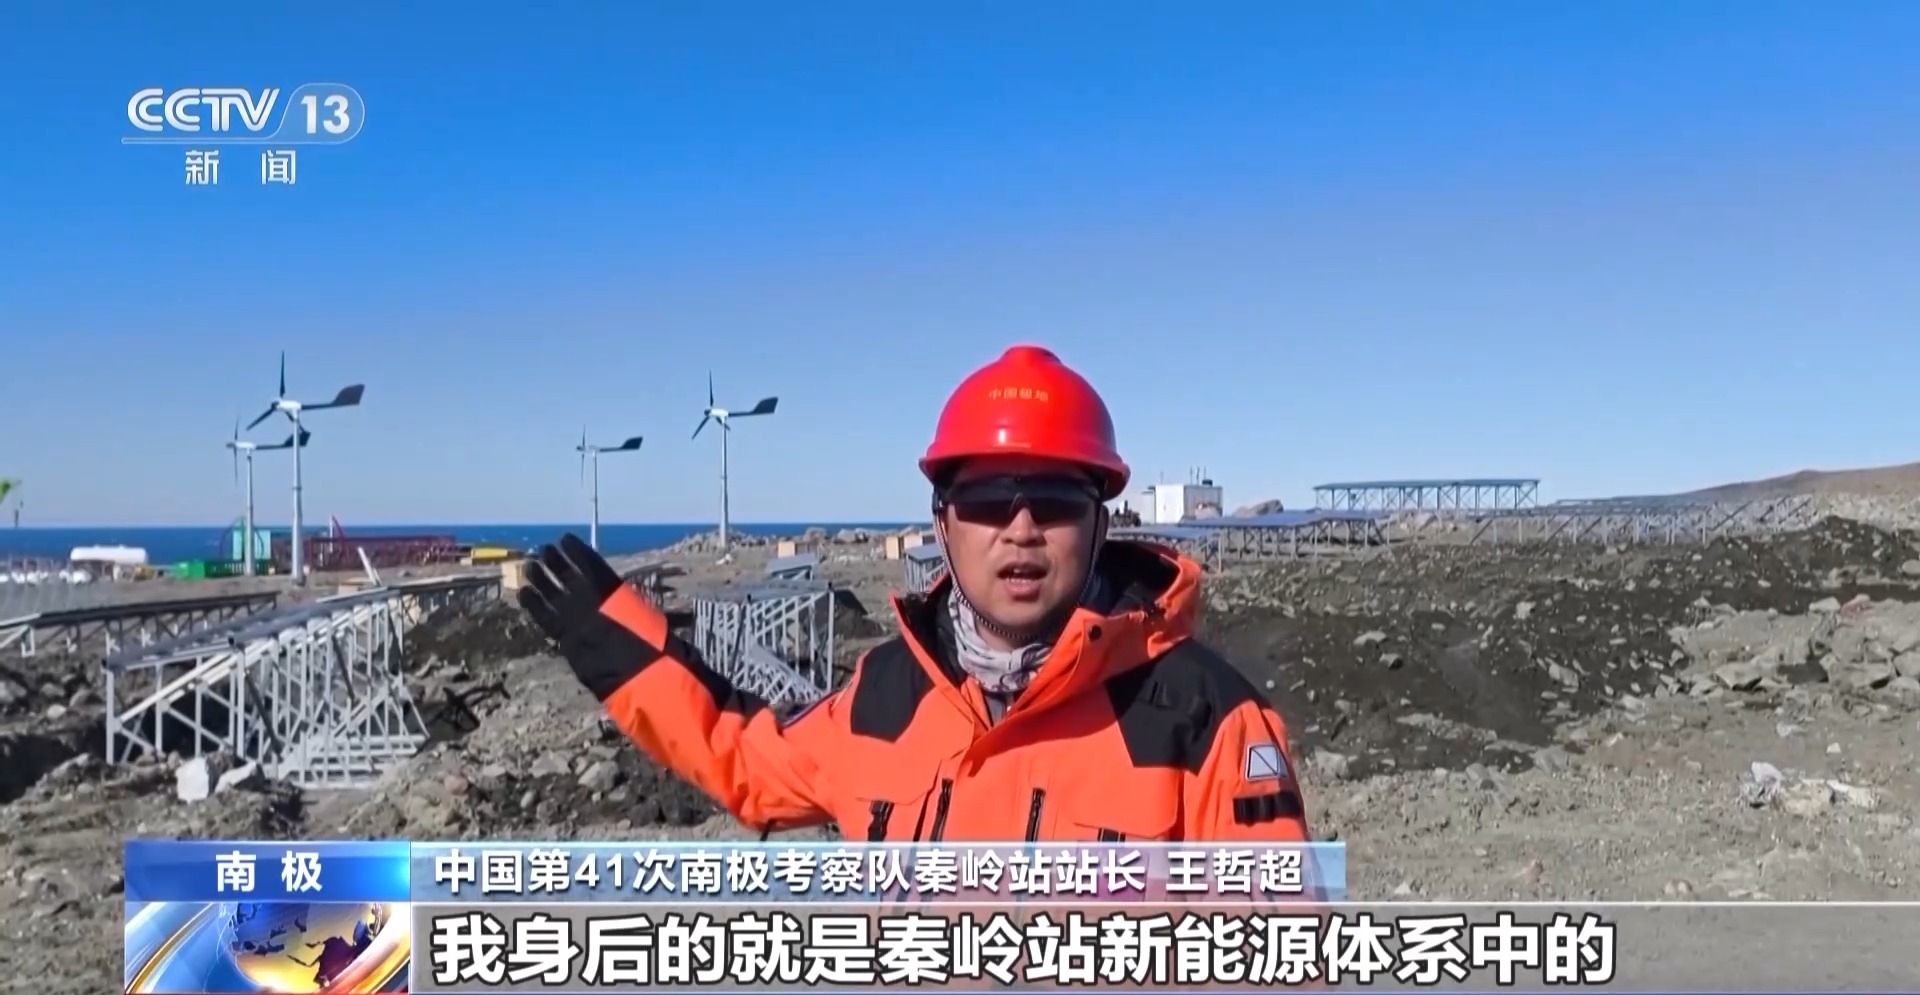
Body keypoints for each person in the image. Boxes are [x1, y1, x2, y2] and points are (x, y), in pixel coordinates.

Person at [517, 344, 1310, 842]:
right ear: (942, 522)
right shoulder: (884, 694)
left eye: (1055, 502)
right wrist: (614, 642)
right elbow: (745, 762)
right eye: (988, 501)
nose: (1021, 529)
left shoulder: (1210, 721)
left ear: (1100, 524)